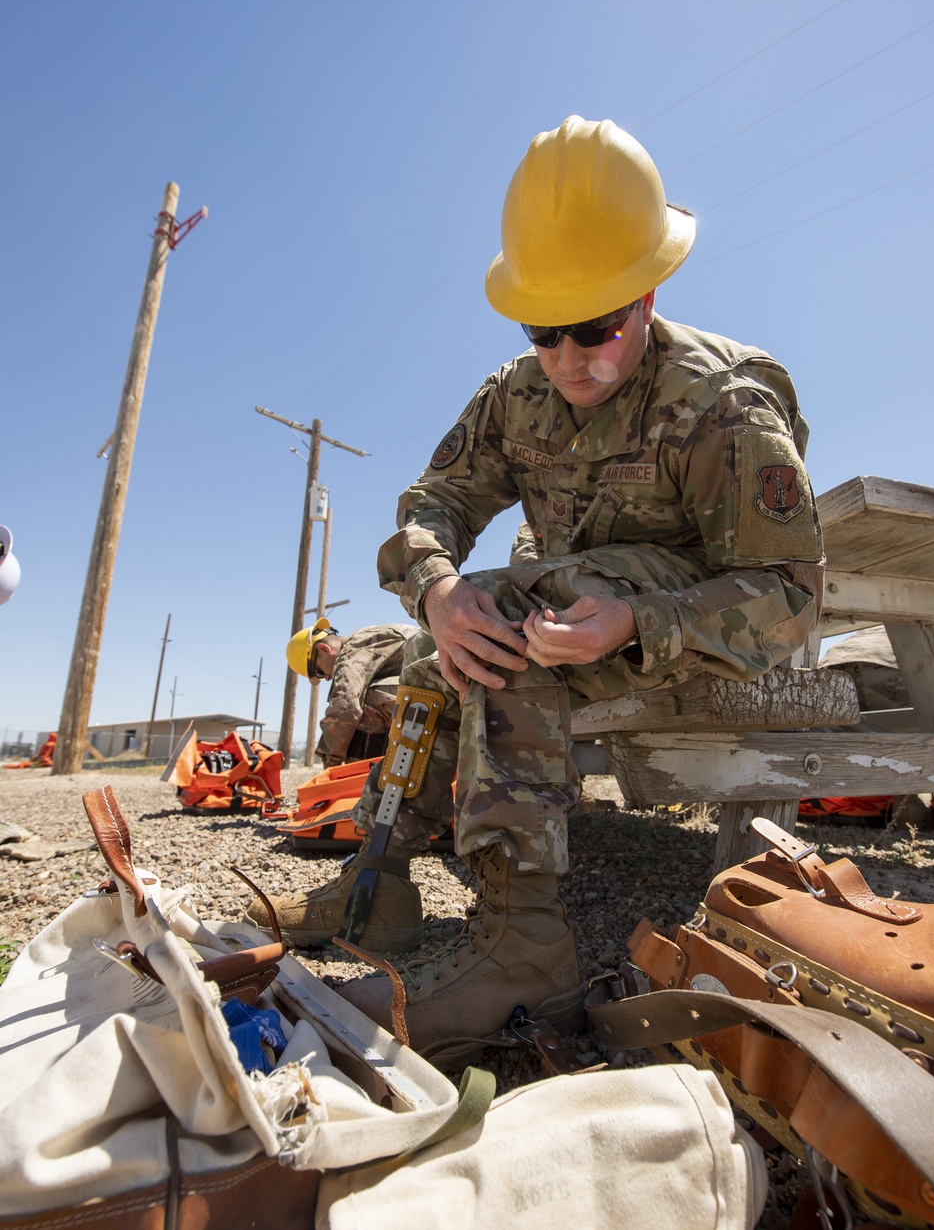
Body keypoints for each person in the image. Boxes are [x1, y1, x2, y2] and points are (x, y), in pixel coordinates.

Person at [249, 115, 824, 1064]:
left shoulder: (721, 405)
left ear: (646, 294)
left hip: (703, 640)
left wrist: (643, 620)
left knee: (515, 613)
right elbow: (429, 503)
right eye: (543, 329)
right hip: (566, 614)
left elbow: (793, 592)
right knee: (456, 638)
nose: (568, 358)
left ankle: (528, 949)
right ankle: (378, 888)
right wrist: (435, 591)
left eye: (594, 327)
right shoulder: (517, 396)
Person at [285, 619, 419, 765]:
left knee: (366, 702)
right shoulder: (363, 639)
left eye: (319, 673)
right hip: (434, 682)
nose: (327, 678)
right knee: (362, 697)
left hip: (436, 686)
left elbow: (346, 706)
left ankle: (362, 777)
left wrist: (331, 762)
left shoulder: (351, 652)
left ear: (324, 649)